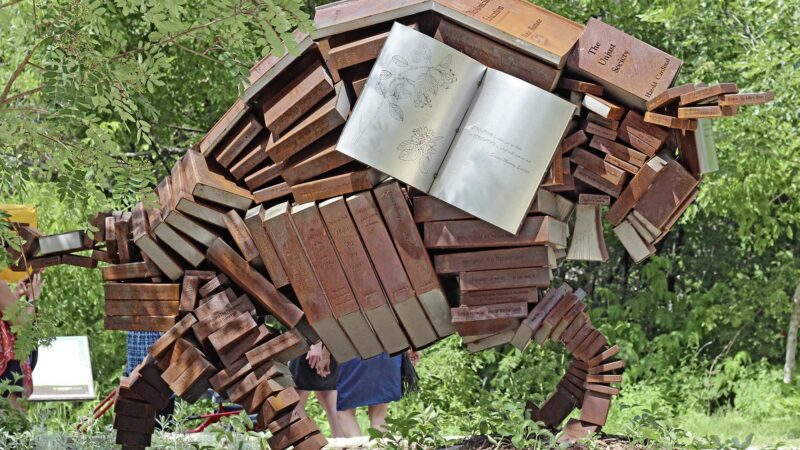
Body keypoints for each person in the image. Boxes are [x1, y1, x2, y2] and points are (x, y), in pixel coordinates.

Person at [335, 349, 419, 437]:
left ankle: (358, 447)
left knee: (344, 411)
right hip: (389, 349)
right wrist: (412, 346)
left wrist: (324, 354)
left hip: (354, 348)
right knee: (379, 413)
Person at [0, 272, 43, 412]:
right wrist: (33, 298)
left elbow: (5, 312)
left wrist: (15, 296)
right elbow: (21, 327)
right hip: (5, 370)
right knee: (13, 426)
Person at [290, 341, 344, 437]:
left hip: (312, 346)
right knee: (332, 408)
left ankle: (314, 443)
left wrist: (316, 343)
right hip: (327, 347)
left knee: (295, 406)